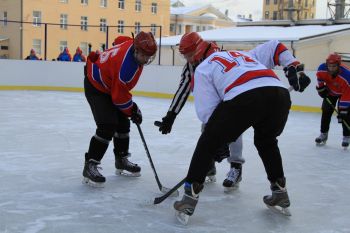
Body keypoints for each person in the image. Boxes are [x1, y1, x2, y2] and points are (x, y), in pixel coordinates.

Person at [172, 40, 311, 224]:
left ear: (198, 57)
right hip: (279, 94)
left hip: (245, 96)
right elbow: (275, 46)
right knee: (266, 142)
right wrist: (293, 66)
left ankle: (188, 199)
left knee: (207, 142)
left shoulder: (204, 67)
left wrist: (218, 141)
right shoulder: (244, 55)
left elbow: (207, 113)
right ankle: (279, 192)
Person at [82, 31, 157, 187]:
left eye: (149, 56)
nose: (146, 59)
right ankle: (90, 165)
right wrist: (133, 110)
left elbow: (119, 41)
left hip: (110, 83)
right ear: (136, 50)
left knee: (123, 123)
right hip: (96, 85)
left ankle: (121, 159)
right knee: (107, 125)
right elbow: (119, 98)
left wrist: (130, 111)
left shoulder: (132, 44)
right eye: (144, 55)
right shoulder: (127, 67)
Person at [315, 53, 350, 148]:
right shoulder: (322, 68)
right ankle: (323, 134)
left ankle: (346, 136)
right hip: (331, 92)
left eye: (334, 66)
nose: (331, 68)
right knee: (326, 111)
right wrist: (321, 90)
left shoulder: (347, 75)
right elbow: (320, 79)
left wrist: (343, 110)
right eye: (329, 66)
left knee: (345, 114)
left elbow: (348, 93)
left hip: (345, 94)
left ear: (338, 65)